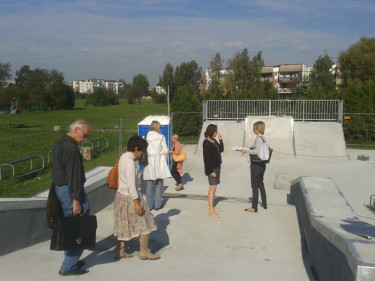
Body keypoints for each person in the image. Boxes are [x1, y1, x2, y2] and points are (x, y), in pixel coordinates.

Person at [52, 119, 91, 276]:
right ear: (76, 130)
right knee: (78, 226)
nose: (86, 139)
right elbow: (73, 176)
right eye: (85, 135)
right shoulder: (72, 149)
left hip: (61, 188)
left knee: (71, 225)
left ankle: (72, 260)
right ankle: (69, 266)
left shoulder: (60, 143)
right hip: (71, 191)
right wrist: (76, 200)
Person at [114, 135, 159, 260]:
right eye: (142, 150)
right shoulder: (130, 163)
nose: (143, 152)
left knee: (122, 224)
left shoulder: (124, 156)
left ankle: (120, 251)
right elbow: (131, 185)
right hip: (131, 197)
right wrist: (137, 203)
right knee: (146, 223)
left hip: (121, 196)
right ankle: (144, 251)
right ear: (136, 148)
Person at [143, 120, 171, 210]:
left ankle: (149, 205)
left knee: (149, 183)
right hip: (158, 160)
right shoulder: (161, 137)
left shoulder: (145, 137)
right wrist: (164, 158)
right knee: (159, 183)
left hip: (148, 162)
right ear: (158, 127)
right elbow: (166, 150)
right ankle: (158, 205)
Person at [242, 121, 268, 213]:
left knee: (254, 186)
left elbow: (256, 152)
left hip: (256, 165)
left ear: (258, 129)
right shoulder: (263, 138)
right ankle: (264, 203)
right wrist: (250, 148)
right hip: (262, 164)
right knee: (260, 183)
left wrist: (247, 151)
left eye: (254, 128)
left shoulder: (258, 138)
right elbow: (258, 149)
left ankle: (254, 207)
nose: (253, 130)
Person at [203, 124, 224, 218]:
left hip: (217, 166)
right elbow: (206, 159)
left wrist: (220, 140)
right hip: (212, 169)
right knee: (212, 188)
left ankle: (212, 206)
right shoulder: (206, 143)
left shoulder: (214, 140)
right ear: (211, 131)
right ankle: (210, 210)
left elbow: (221, 150)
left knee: (214, 187)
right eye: (215, 131)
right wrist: (211, 171)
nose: (217, 132)